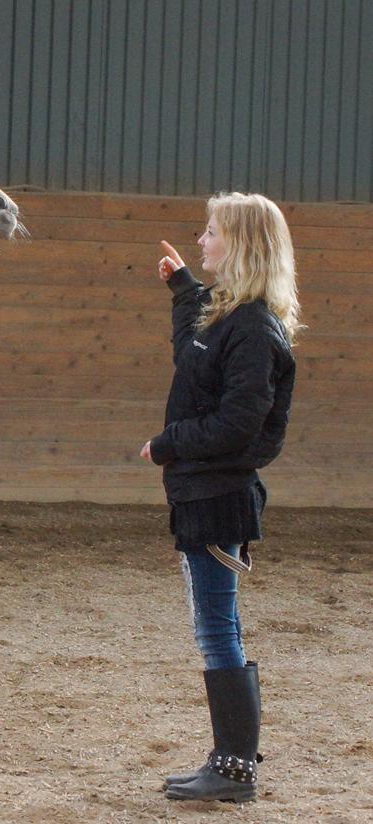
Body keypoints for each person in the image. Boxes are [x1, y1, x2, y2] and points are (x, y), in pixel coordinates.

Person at [141, 192, 301, 802]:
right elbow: (193, 359)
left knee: (215, 629)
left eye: (211, 233)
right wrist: (184, 292)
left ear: (239, 244)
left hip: (217, 493)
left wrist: (168, 443)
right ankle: (232, 760)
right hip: (202, 491)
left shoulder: (256, 328)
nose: (202, 241)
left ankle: (235, 767)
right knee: (218, 623)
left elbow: (239, 425)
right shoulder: (227, 316)